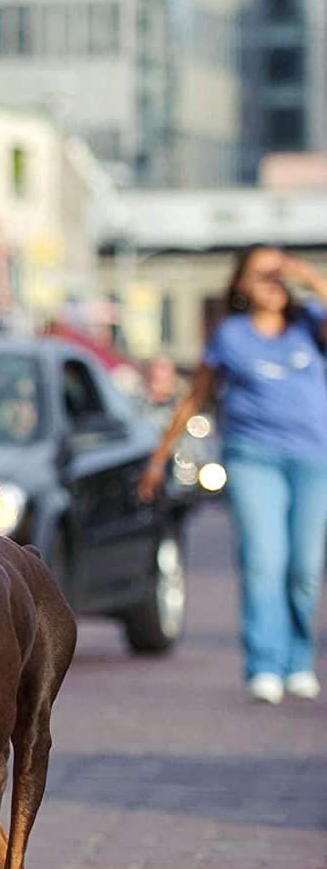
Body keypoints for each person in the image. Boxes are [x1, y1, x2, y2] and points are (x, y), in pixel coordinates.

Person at [140, 246, 327, 704]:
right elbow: (195, 396)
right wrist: (159, 457)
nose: (272, 282)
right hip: (252, 456)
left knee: (304, 567)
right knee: (265, 559)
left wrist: (304, 274)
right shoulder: (231, 334)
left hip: (312, 458)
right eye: (260, 274)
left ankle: (298, 660)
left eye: (277, 274)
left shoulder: (310, 325)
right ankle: (264, 664)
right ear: (239, 285)